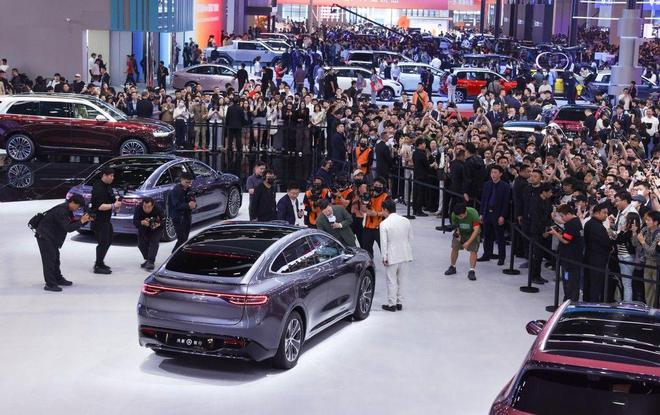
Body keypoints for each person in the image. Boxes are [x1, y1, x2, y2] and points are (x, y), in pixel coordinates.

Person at [35, 195, 91, 291]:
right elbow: (68, 228)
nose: (77, 209)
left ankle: (58, 278)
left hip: (51, 236)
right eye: (78, 206)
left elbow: (71, 223)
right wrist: (81, 221)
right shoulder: (61, 211)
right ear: (72, 202)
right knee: (49, 260)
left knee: (55, 258)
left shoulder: (67, 210)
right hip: (44, 236)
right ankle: (50, 284)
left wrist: (83, 221)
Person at [379, 199, 413, 312]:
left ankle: (392, 304)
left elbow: (384, 243)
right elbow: (410, 238)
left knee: (391, 280)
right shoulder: (406, 221)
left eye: (382, 210)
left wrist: (384, 257)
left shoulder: (384, 224)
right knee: (402, 280)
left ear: (385, 209)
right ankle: (399, 303)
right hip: (405, 254)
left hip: (392, 256)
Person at [548, 204, 584, 302]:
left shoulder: (572, 225)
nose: (562, 218)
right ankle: (569, 299)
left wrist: (555, 233)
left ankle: (570, 301)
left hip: (570, 259)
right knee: (569, 281)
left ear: (568, 214)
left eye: (562, 216)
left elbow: (565, 240)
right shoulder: (574, 222)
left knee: (569, 282)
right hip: (572, 258)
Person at [91, 167, 121, 274]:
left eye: (113, 176)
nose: (112, 178)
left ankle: (100, 262)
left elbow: (112, 201)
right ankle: (98, 265)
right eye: (111, 176)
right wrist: (113, 205)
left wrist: (117, 204)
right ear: (104, 175)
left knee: (108, 240)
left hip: (106, 219)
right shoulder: (98, 188)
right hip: (98, 220)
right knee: (103, 242)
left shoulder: (108, 187)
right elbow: (99, 206)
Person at [478, 165, 511, 265]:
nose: (493, 174)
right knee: (487, 235)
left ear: (500, 174)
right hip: (487, 213)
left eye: (495, 172)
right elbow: (483, 200)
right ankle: (487, 254)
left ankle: (501, 257)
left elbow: (506, 203)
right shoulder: (487, 184)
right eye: (492, 172)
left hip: (498, 214)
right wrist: (481, 213)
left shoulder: (505, 186)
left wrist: (502, 216)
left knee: (499, 237)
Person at [583, 203, 613, 302]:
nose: (606, 215)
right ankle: (593, 304)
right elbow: (605, 242)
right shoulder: (597, 226)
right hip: (597, 259)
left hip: (590, 257)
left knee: (589, 282)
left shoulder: (589, 223)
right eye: (604, 213)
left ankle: (587, 302)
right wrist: (611, 245)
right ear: (597, 213)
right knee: (595, 284)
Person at [444, 202, 481, 281]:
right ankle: (452, 267)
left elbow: (476, 230)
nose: (459, 218)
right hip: (461, 232)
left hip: (472, 233)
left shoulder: (473, 213)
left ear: (465, 212)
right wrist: (459, 237)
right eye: (458, 216)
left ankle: (472, 271)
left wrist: (468, 242)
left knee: (473, 251)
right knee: (454, 247)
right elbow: (456, 227)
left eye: (461, 216)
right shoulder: (454, 214)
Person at [132, 197, 164, 271]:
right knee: (141, 245)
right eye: (144, 207)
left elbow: (164, 220)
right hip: (143, 228)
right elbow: (135, 221)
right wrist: (141, 222)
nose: (146, 209)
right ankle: (147, 259)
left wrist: (158, 224)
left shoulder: (158, 208)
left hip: (156, 228)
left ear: (153, 206)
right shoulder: (138, 208)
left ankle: (151, 262)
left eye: (149, 207)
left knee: (154, 243)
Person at [167, 172, 196, 252]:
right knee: (181, 239)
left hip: (187, 216)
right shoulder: (175, 191)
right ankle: (174, 254)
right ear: (182, 180)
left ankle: (178, 253)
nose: (189, 184)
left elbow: (193, 201)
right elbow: (176, 205)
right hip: (178, 218)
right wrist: (188, 205)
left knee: (185, 239)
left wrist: (194, 205)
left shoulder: (189, 189)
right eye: (187, 182)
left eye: (190, 183)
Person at [362, 177, 390, 257]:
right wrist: (366, 207)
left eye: (379, 185)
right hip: (367, 227)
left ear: (383, 186)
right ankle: (369, 263)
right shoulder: (369, 195)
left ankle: (387, 262)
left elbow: (388, 213)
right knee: (366, 250)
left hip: (380, 228)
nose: (377, 187)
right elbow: (363, 209)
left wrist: (376, 214)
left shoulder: (386, 197)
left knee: (385, 250)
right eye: (376, 185)